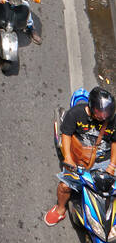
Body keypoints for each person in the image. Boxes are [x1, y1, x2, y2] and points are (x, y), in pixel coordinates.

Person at [45, 86, 116, 226]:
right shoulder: (76, 114)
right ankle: (60, 209)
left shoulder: (112, 120)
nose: (103, 116)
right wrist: (68, 159)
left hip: (103, 160)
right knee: (65, 186)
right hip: (79, 160)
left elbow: (114, 142)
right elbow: (66, 135)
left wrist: (112, 165)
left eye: (106, 113)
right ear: (91, 106)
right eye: (99, 112)